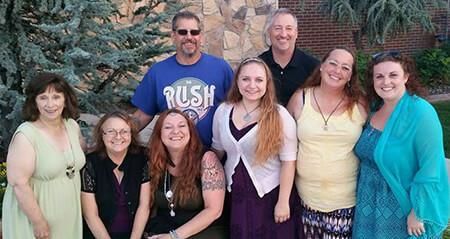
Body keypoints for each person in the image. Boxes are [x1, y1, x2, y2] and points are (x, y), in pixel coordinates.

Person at [352, 51, 450, 238]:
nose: (385, 82)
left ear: (406, 77)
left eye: (393, 75)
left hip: (399, 207)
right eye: (379, 76)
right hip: (367, 203)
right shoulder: (374, 109)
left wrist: (418, 211)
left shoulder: (421, 112)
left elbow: (431, 167)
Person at [212, 57, 299, 238]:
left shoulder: (279, 116)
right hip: (236, 196)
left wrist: (283, 202)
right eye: (245, 79)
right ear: (237, 81)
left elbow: (289, 162)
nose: (252, 85)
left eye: (259, 80)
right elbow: (217, 152)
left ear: (267, 83)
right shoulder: (223, 112)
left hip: (270, 195)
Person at [287, 47, 367, 238]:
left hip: (345, 202)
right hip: (305, 200)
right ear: (321, 67)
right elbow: (283, 144)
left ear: (350, 77)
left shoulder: (359, 104)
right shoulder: (301, 98)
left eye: (345, 68)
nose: (337, 70)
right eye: (333, 63)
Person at [2, 72, 85, 239]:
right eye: (43, 98)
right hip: (34, 219)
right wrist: (38, 222)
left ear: (65, 99)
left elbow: (77, 159)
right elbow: (19, 183)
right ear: (34, 101)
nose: (50, 104)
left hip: (68, 213)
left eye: (56, 97)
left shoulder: (72, 126)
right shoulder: (26, 136)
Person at [131, 11, 234, 147]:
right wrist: (119, 134)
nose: (189, 37)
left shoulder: (221, 68)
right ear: (173, 36)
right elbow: (142, 115)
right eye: (183, 32)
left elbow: (236, 107)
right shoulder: (158, 72)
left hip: (213, 155)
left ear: (200, 36)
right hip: (173, 156)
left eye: (194, 32)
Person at [146, 108, 227, 239]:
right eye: (168, 127)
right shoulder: (155, 162)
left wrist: (173, 236)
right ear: (159, 133)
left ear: (190, 131)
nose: (176, 131)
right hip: (165, 228)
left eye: (182, 126)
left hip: (204, 231)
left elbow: (214, 211)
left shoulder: (207, 160)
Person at [81, 111, 150, 239]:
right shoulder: (90, 163)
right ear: (102, 135)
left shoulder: (142, 158)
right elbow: (91, 215)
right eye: (111, 131)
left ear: (131, 134)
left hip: (136, 234)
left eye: (124, 131)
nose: (118, 137)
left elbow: (144, 206)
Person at [259, 8, 319, 106]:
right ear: (269, 32)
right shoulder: (259, 65)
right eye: (277, 28)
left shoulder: (313, 67)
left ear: (296, 33)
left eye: (289, 28)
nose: (283, 34)